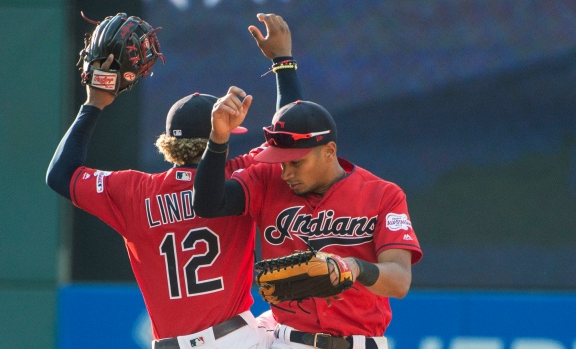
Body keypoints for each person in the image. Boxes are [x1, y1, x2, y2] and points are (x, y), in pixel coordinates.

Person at [46, 12, 301, 349]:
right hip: (236, 338)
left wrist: (94, 103)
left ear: (169, 143)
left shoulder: (134, 191)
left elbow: (61, 175)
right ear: (217, 133)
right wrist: (282, 62)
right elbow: (293, 138)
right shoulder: (240, 175)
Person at [193, 17, 424, 349]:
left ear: (329, 151)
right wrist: (218, 139)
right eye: (280, 161)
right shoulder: (268, 180)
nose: (285, 172)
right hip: (290, 342)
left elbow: (400, 281)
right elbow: (208, 203)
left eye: (296, 163)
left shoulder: (383, 195)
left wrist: (354, 268)